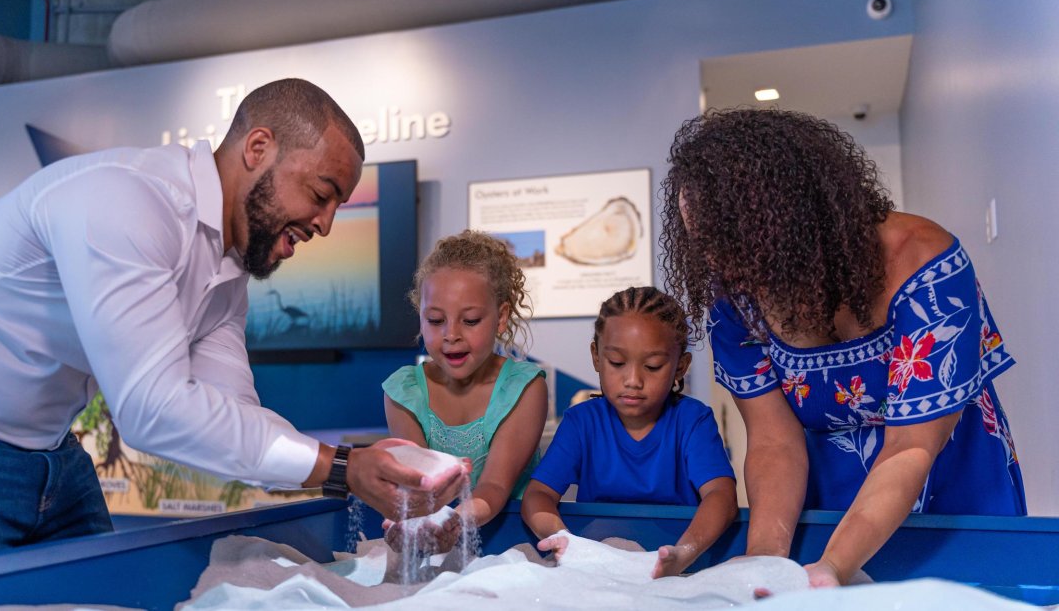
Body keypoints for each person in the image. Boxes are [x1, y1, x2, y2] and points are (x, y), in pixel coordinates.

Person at [0, 78, 463, 574]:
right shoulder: (125, 201)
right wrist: (341, 467)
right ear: (258, 148)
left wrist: (354, 466)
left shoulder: (227, 269)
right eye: (322, 193)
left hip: (46, 448)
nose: (326, 225)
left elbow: (231, 418)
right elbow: (151, 411)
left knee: (104, 593)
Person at [659, 108, 1025, 588]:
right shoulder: (734, 298)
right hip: (829, 496)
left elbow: (910, 446)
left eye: (728, 243)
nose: (716, 265)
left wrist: (835, 565)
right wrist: (767, 559)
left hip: (952, 489)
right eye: (701, 245)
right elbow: (774, 441)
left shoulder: (924, 263)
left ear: (786, 222)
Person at [522, 286, 738, 578]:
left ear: (680, 367)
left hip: (676, 569)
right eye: (617, 363)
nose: (633, 380)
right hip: (598, 568)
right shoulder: (582, 423)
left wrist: (683, 554)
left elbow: (721, 497)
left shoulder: (692, 421)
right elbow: (538, 495)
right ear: (596, 356)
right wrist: (563, 539)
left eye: (652, 366)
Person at [381, 230, 548, 554]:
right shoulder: (405, 392)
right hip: (438, 548)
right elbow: (419, 488)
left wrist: (454, 522)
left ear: (501, 318)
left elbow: (495, 485)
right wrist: (413, 523)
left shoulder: (524, 388)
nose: (451, 335)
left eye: (470, 320)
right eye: (435, 320)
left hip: (513, 547)